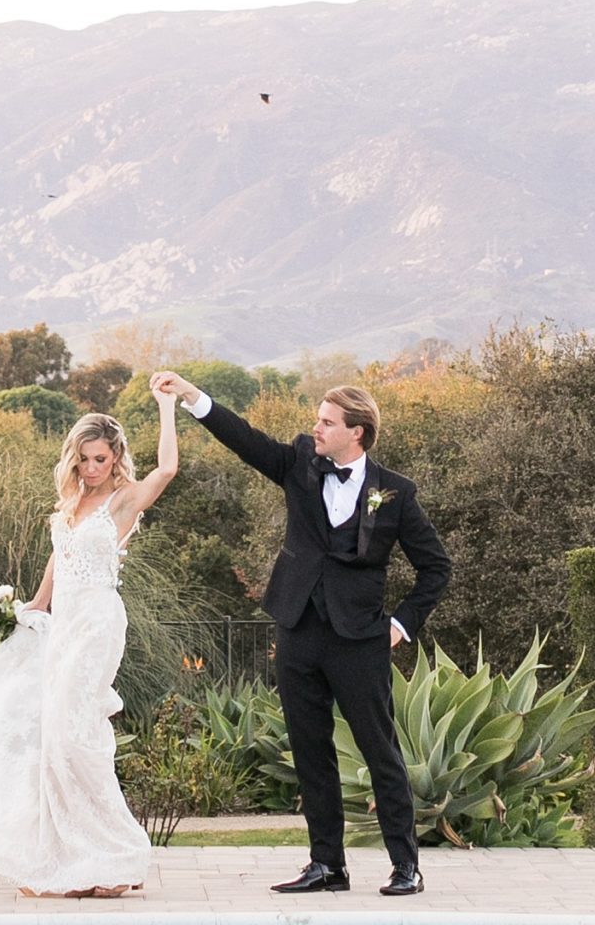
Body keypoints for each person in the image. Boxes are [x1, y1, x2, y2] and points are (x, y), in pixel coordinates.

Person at [156, 370, 450, 898]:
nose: (315, 428)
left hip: (360, 641)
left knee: (380, 751)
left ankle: (406, 866)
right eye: (317, 419)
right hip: (297, 632)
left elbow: (437, 569)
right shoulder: (298, 463)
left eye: (326, 421)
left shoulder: (395, 493)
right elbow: (243, 438)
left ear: (356, 432)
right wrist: (191, 397)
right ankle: (327, 866)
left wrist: (400, 626)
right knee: (311, 752)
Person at [0, 382, 180, 897]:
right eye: (84, 459)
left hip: (97, 622)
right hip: (64, 623)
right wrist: (34, 604)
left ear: (115, 459)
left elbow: (167, 470)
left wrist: (165, 407)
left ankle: (113, 854)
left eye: (100, 459)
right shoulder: (71, 502)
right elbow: (59, 556)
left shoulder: (121, 502)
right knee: (53, 736)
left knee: (76, 735)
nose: (91, 468)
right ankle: (66, 857)